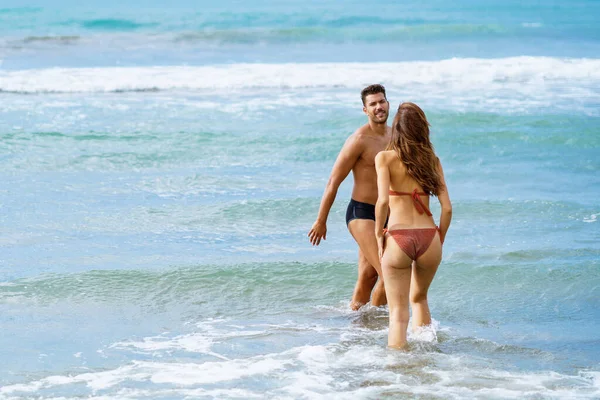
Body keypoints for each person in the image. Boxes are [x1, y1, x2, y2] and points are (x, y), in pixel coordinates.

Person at [374, 102, 452, 348]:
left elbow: (383, 202)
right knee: (419, 298)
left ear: (396, 128)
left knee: (398, 315)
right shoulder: (433, 160)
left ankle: (398, 372)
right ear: (422, 129)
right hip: (430, 237)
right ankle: (427, 356)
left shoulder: (385, 158)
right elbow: (447, 208)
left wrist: (379, 236)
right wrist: (440, 236)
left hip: (398, 237)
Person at [308, 84, 391, 310]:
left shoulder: (397, 136)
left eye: (381, 101)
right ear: (365, 110)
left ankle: (356, 326)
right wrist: (320, 220)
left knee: (368, 277)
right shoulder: (358, 140)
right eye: (372, 104)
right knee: (389, 274)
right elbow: (333, 181)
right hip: (362, 213)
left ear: (388, 103)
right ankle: (379, 326)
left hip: (388, 215)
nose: (378, 107)